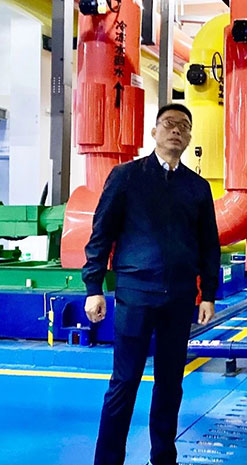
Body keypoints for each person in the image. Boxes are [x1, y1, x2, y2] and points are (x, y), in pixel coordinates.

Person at [83, 103, 221, 465]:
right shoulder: (126, 177)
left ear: (189, 137)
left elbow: (209, 244)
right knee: (124, 382)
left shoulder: (197, 187)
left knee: (170, 383)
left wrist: (208, 293)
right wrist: (93, 287)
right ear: (154, 132)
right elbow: (102, 233)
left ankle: (163, 457)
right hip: (136, 294)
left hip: (179, 298)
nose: (176, 130)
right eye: (169, 124)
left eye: (183, 126)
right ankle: (107, 460)